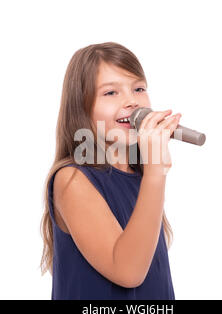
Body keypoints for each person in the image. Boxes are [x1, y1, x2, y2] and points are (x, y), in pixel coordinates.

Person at [40, 42, 182, 299]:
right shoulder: (72, 180)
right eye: (110, 93)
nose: (131, 101)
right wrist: (155, 170)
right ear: (82, 107)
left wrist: (151, 171)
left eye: (138, 88)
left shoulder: (140, 177)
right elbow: (128, 272)